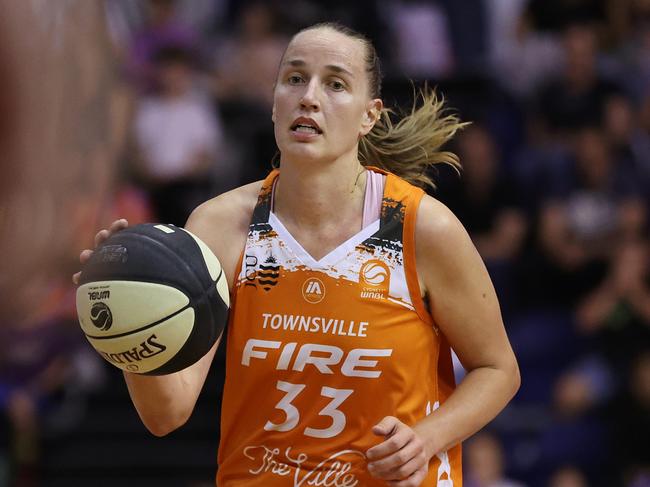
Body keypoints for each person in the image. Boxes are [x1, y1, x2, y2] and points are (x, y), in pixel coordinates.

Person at [75, 22, 520, 486]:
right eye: (294, 78)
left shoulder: (422, 227)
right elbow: (167, 413)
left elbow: (498, 369)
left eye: (335, 84)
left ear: (370, 116)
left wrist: (427, 439)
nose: (309, 96)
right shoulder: (219, 225)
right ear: (273, 103)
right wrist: (128, 325)